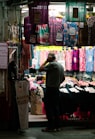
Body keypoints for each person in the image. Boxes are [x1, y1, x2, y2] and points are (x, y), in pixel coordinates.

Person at [39, 52, 65, 132]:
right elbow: (63, 78)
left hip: (50, 89)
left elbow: (40, 69)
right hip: (56, 89)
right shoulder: (60, 66)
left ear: (50, 58)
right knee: (56, 107)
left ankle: (50, 127)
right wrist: (57, 83)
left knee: (49, 107)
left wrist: (46, 61)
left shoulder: (52, 65)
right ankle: (57, 126)